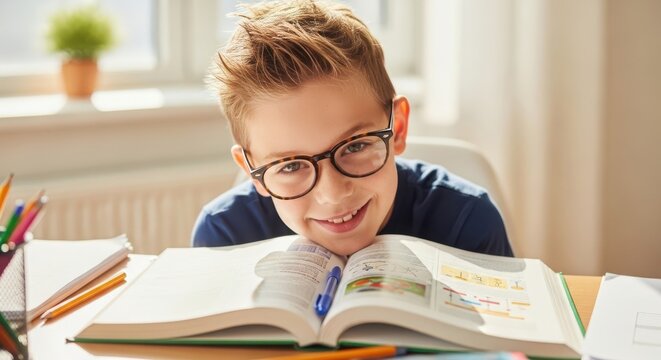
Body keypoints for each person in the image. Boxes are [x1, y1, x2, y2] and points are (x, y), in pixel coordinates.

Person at [192, 0, 513, 257]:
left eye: (355, 146)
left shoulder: (467, 221)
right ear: (251, 170)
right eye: (290, 165)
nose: (333, 194)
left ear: (398, 127)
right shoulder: (224, 235)